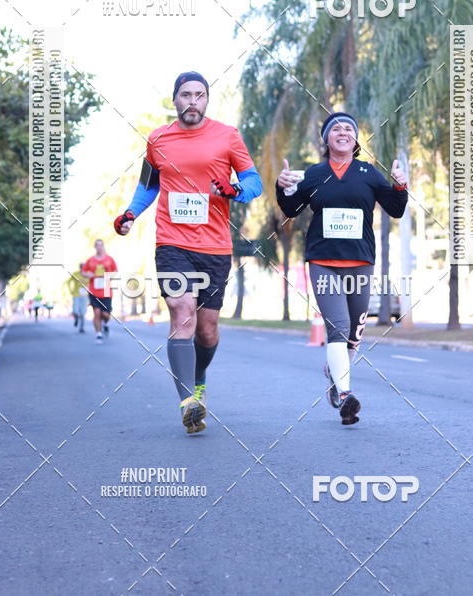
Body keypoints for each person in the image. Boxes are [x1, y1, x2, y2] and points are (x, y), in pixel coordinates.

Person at [113, 71, 262, 434]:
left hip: (214, 246)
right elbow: (149, 186)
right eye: (185, 95)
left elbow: (254, 183)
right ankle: (188, 402)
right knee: (182, 312)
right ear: (175, 99)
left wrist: (232, 190)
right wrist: (131, 213)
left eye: (199, 95)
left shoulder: (228, 136)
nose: (192, 101)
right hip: (172, 242)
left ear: (206, 100)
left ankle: (198, 379)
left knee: (207, 331)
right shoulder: (158, 139)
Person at [276, 111, 407, 426]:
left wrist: (400, 187)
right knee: (337, 326)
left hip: (360, 261)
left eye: (349, 128)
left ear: (356, 140)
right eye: (336, 129)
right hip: (323, 260)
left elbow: (396, 209)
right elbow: (291, 209)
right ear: (326, 139)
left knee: (353, 336)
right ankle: (347, 395)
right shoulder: (314, 174)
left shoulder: (368, 173)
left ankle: (335, 376)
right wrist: (282, 187)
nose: (343, 132)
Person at [82, 240, 118, 342]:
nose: (99, 247)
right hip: (94, 290)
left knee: (106, 315)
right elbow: (83, 272)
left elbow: (115, 271)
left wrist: (109, 275)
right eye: (97, 245)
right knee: (97, 313)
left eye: (100, 245)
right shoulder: (90, 260)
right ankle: (98, 334)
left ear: (103, 246)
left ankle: (105, 323)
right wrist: (87, 275)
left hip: (106, 290)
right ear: (95, 247)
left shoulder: (109, 259)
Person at [66, 263, 89, 332]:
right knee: (75, 311)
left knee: (83, 312)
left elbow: (91, 283)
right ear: (80, 268)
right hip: (76, 295)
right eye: (83, 267)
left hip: (84, 295)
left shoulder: (88, 275)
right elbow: (68, 282)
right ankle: (76, 318)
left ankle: (81, 328)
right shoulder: (76, 274)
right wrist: (71, 291)